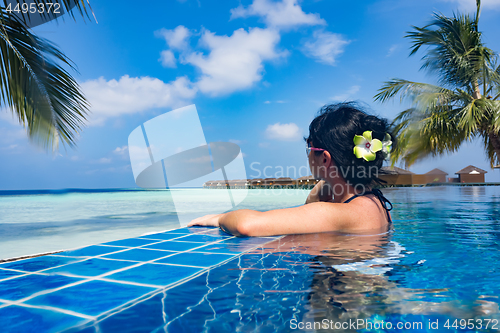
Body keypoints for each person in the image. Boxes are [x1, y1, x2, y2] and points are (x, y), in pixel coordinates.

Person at [188, 102, 394, 236]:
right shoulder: (374, 202)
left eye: (309, 148)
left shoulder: (341, 213)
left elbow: (247, 225)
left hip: (342, 300)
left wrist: (219, 218)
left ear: (324, 158)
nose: (306, 155)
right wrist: (327, 182)